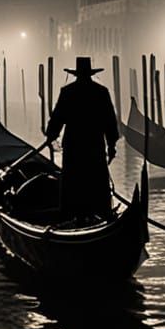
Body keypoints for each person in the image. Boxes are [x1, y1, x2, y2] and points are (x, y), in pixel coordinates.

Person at [44, 56, 119, 220]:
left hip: (74, 146)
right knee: (97, 182)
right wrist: (112, 145)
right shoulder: (101, 92)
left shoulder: (68, 92)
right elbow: (110, 122)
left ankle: (71, 216)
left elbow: (57, 118)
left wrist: (51, 136)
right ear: (90, 74)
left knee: (72, 184)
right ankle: (101, 213)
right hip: (95, 146)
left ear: (76, 74)